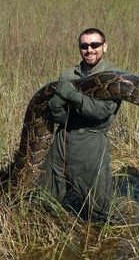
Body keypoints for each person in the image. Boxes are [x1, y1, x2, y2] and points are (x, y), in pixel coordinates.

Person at [40, 27, 122, 223]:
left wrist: (74, 96)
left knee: (98, 210)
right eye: (84, 46)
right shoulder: (68, 75)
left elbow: (101, 112)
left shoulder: (114, 76)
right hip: (63, 138)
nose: (90, 50)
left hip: (91, 140)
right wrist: (56, 109)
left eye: (95, 45)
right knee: (45, 198)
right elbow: (60, 117)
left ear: (105, 47)